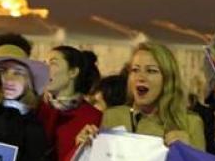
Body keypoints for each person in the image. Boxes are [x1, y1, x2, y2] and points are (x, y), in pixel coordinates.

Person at [77, 43, 207, 151]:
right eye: (135, 70)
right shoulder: (113, 116)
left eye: (151, 71)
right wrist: (85, 148)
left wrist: (189, 151)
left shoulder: (191, 123)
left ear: (168, 79)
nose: (140, 77)